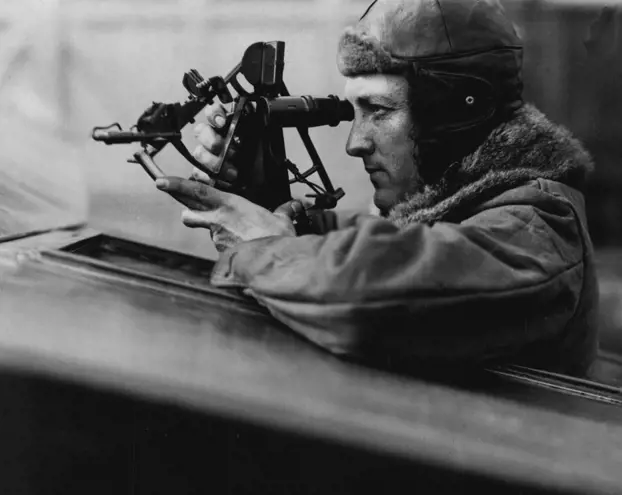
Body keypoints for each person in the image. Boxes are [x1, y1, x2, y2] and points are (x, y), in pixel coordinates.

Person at [155, 0, 598, 376]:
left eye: (378, 110)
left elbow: (367, 295)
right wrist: (267, 206)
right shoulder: (459, 209)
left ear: (455, 115)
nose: (355, 142)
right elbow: (377, 243)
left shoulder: (538, 227)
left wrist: (263, 245)